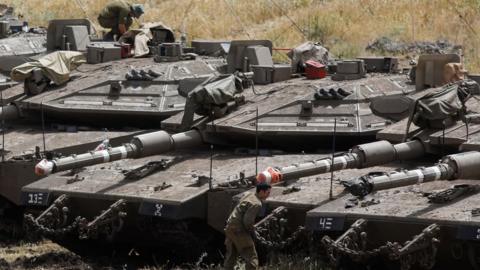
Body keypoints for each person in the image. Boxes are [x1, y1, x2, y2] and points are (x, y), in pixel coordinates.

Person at [223, 182, 272, 270]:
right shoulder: (257, 204)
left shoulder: (248, 194)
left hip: (230, 227)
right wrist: (253, 232)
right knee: (251, 257)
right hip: (239, 230)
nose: (268, 195)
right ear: (261, 192)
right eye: (267, 192)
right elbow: (247, 222)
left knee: (231, 256)